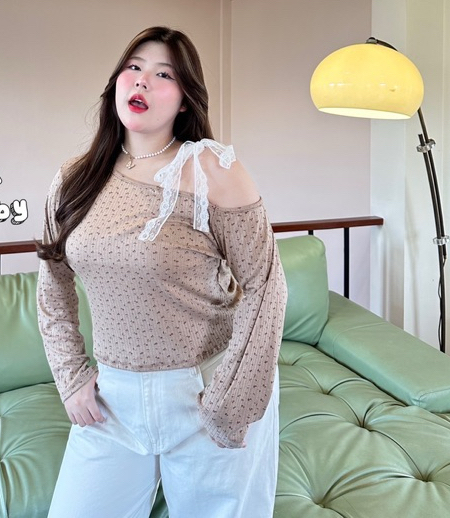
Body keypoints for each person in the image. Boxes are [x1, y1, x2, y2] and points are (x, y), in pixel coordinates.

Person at [36, 26, 288, 518]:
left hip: (206, 390)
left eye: (164, 74)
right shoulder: (73, 179)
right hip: (111, 401)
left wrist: (230, 401)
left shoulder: (214, 169)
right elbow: (54, 282)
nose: (142, 81)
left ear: (185, 98)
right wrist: (70, 374)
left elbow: (265, 283)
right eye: (133, 68)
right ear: (116, 83)